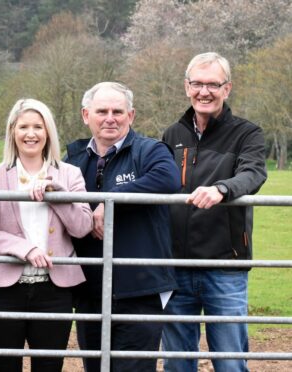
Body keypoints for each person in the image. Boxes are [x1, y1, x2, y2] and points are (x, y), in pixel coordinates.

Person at [161, 52, 267, 372]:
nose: (204, 91)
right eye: (197, 83)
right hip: (176, 265)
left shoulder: (247, 133)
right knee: (178, 360)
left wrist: (222, 189)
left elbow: (253, 174)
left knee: (230, 360)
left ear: (227, 88)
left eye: (213, 84)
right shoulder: (172, 135)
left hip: (225, 265)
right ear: (186, 87)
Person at [64, 82, 181, 371]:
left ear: (131, 116)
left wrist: (109, 202)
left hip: (140, 289)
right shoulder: (74, 159)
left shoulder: (149, 150)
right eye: (101, 111)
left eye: (118, 111)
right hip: (91, 289)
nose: (110, 118)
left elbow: (168, 179)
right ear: (85, 115)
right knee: (95, 367)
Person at [0, 98, 93, 372]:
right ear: (12, 131)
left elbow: (82, 227)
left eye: (38, 126)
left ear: (48, 131)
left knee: (49, 366)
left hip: (54, 290)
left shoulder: (70, 174)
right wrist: (23, 248)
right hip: (3, 290)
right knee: (4, 366)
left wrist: (57, 195)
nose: (31, 133)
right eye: (23, 126)